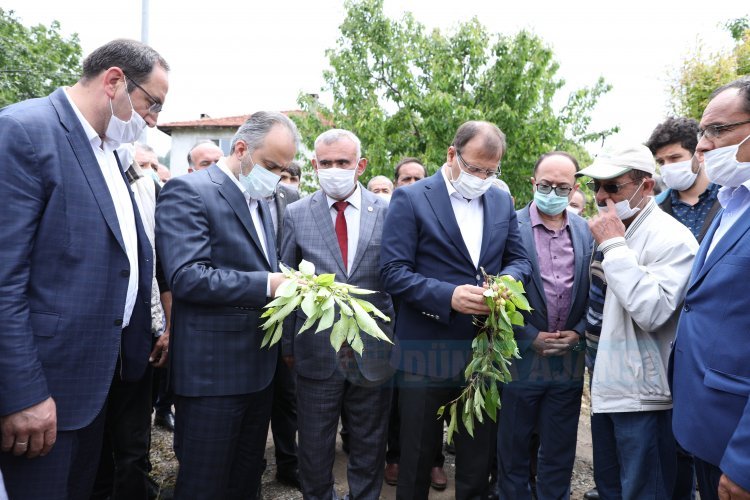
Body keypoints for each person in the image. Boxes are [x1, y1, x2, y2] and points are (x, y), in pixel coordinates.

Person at [0, 38, 167, 499]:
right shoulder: (25, 131)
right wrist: (22, 395)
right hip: (44, 394)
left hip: (96, 387)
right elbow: (4, 281)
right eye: (151, 103)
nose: (152, 120)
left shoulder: (109, 151)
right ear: (114, 81)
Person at [381, 120, 531, 500]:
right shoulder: (412, 198)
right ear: (452, 154)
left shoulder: (500, 200)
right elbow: (393, 272)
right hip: (424, 351)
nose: (482, 177)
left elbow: (520, 260)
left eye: (490, 171)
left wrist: (505, 283)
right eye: (475, 168)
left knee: (477, 462)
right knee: (415, 459)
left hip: (483, 354)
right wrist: (447, 296)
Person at [155, 111, 299, 499]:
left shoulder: (261, 202)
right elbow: (188, 276)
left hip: (258, 372)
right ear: (241, 149)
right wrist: (269, 284)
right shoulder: (189, 191)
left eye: (284, 169)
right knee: (204, 484)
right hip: (212, 375)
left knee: (245, 481)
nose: (277, 176)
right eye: (271, 165)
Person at [577, 142, 697, 499]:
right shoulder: (614, 230)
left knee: (646, 491)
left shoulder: (671, 238)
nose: (600, 195)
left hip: (644, 397)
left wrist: (615, 249)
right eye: (594, 186)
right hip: (608, 386)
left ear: (646, 186)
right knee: (612, 489)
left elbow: (653, 310)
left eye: (612, 186)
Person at [280, 129, 395, 500]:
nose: (334, 169)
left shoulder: (388, 213)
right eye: (325, 163)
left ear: (359, 165)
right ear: (314, 165)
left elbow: (397, 279)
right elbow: (284, 282)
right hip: (314, 350)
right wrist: (286, 345)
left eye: (342, 162)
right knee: (314, 445)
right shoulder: (296, 213)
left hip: (373, 350)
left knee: (369, 441)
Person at [497, 152, 592, 500]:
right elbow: (495, 290)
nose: (553, 191)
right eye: (546, 185)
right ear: (533, 183)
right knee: (513, 449)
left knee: (559, 451)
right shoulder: (509, 227)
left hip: (567, 360)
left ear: (574, 189)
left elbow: (596, 290)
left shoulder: (586, 231)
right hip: (521, 358)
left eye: (562, 187)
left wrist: (579, 331)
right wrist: (528, 336)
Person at [672, 76, 750, 500]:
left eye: (718, 130)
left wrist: (745, 461)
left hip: (738, 438)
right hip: (707, 422)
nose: (702, 145)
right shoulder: (732, 203)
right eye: (703, 132)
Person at [383, 156, 449, 492]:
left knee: (430, 404)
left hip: (431, 316)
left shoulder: (436, 211)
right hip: (395, 319)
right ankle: (395, 455)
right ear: (396, 182)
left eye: (417, 178)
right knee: (399, 401)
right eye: (404, 179)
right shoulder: (395, 210)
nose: (411, 184)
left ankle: (434, 461)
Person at [646, 116, 721, 243]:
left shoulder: (731, 196)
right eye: (661, 161)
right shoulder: (655, 207)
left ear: (699, 154)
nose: (667, 167)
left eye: (674, 158)